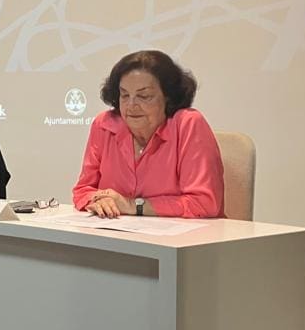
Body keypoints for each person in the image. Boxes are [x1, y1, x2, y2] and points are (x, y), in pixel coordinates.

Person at [72, 50, 224, 219]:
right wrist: (99, 201)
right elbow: (83, 190)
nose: (131, 105)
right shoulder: (105, 125)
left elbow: (204, 203)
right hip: (116, 233)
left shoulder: (188, 124)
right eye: (124, 95)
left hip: (186, 234)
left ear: (168, 97)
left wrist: (134, 206)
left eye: (144, 96)